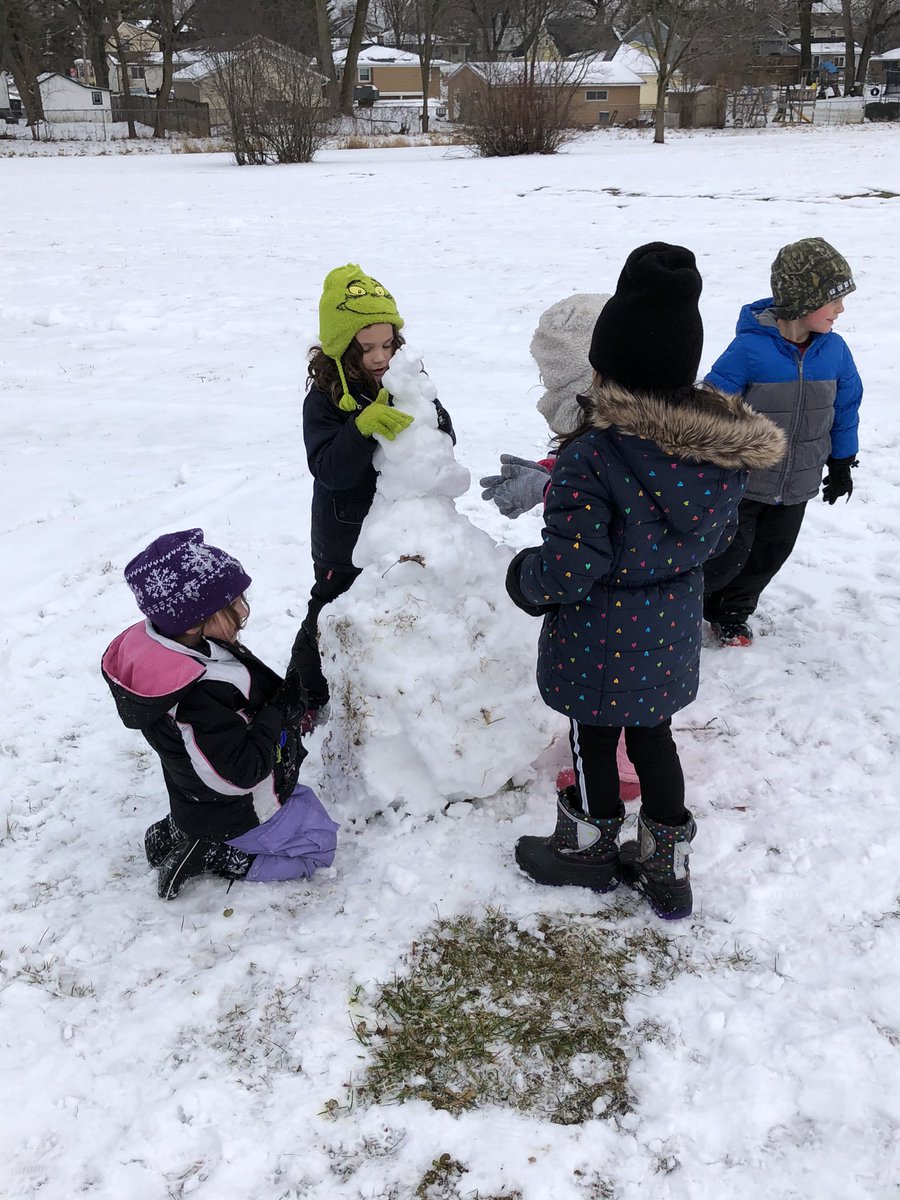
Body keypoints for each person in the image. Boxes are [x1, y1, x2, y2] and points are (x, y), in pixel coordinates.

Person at [504, 243, 786, 919]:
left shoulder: (593, 456)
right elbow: (717, 541)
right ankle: (667, 869)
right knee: (654, 739)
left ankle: (587, 852)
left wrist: (523, 579)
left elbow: (572, 566)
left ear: (607, 372)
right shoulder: (716, 454)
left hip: (598, 637)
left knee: (593, 739)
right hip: (669, 630)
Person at [102, 529, 338, 900]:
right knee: (319, 847)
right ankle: (218, 854)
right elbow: (237, 774)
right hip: (239, 808)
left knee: (212, 803)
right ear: (192, 619)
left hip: (201, 798)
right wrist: (276, 713)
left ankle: (186, 827)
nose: (243, 610)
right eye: (232, 603)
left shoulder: (177, 646)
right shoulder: (196, 696)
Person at [293, 264, 454, 722]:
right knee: (327, 613)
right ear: (343, 348)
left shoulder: (405, 380)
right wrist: (360, 428)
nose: (381, 357)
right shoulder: (324, 400)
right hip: (343, 537)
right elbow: (329, 470)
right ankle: (302, 695)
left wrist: (428, 416)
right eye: (367, 349)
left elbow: (443, 436)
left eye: (388, 344)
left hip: (396, 530)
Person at [702, 236, 863, 646]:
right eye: (834, 300)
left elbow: (845, 408)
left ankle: (732, 613)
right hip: (743, 482)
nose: (841, 310)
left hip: (797, 483)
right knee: (724, 557)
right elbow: (709, 409)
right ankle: (688, 606)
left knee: (769, 556)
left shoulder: (835, 352)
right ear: (802, 301)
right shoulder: (749, 350)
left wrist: (841, 463)